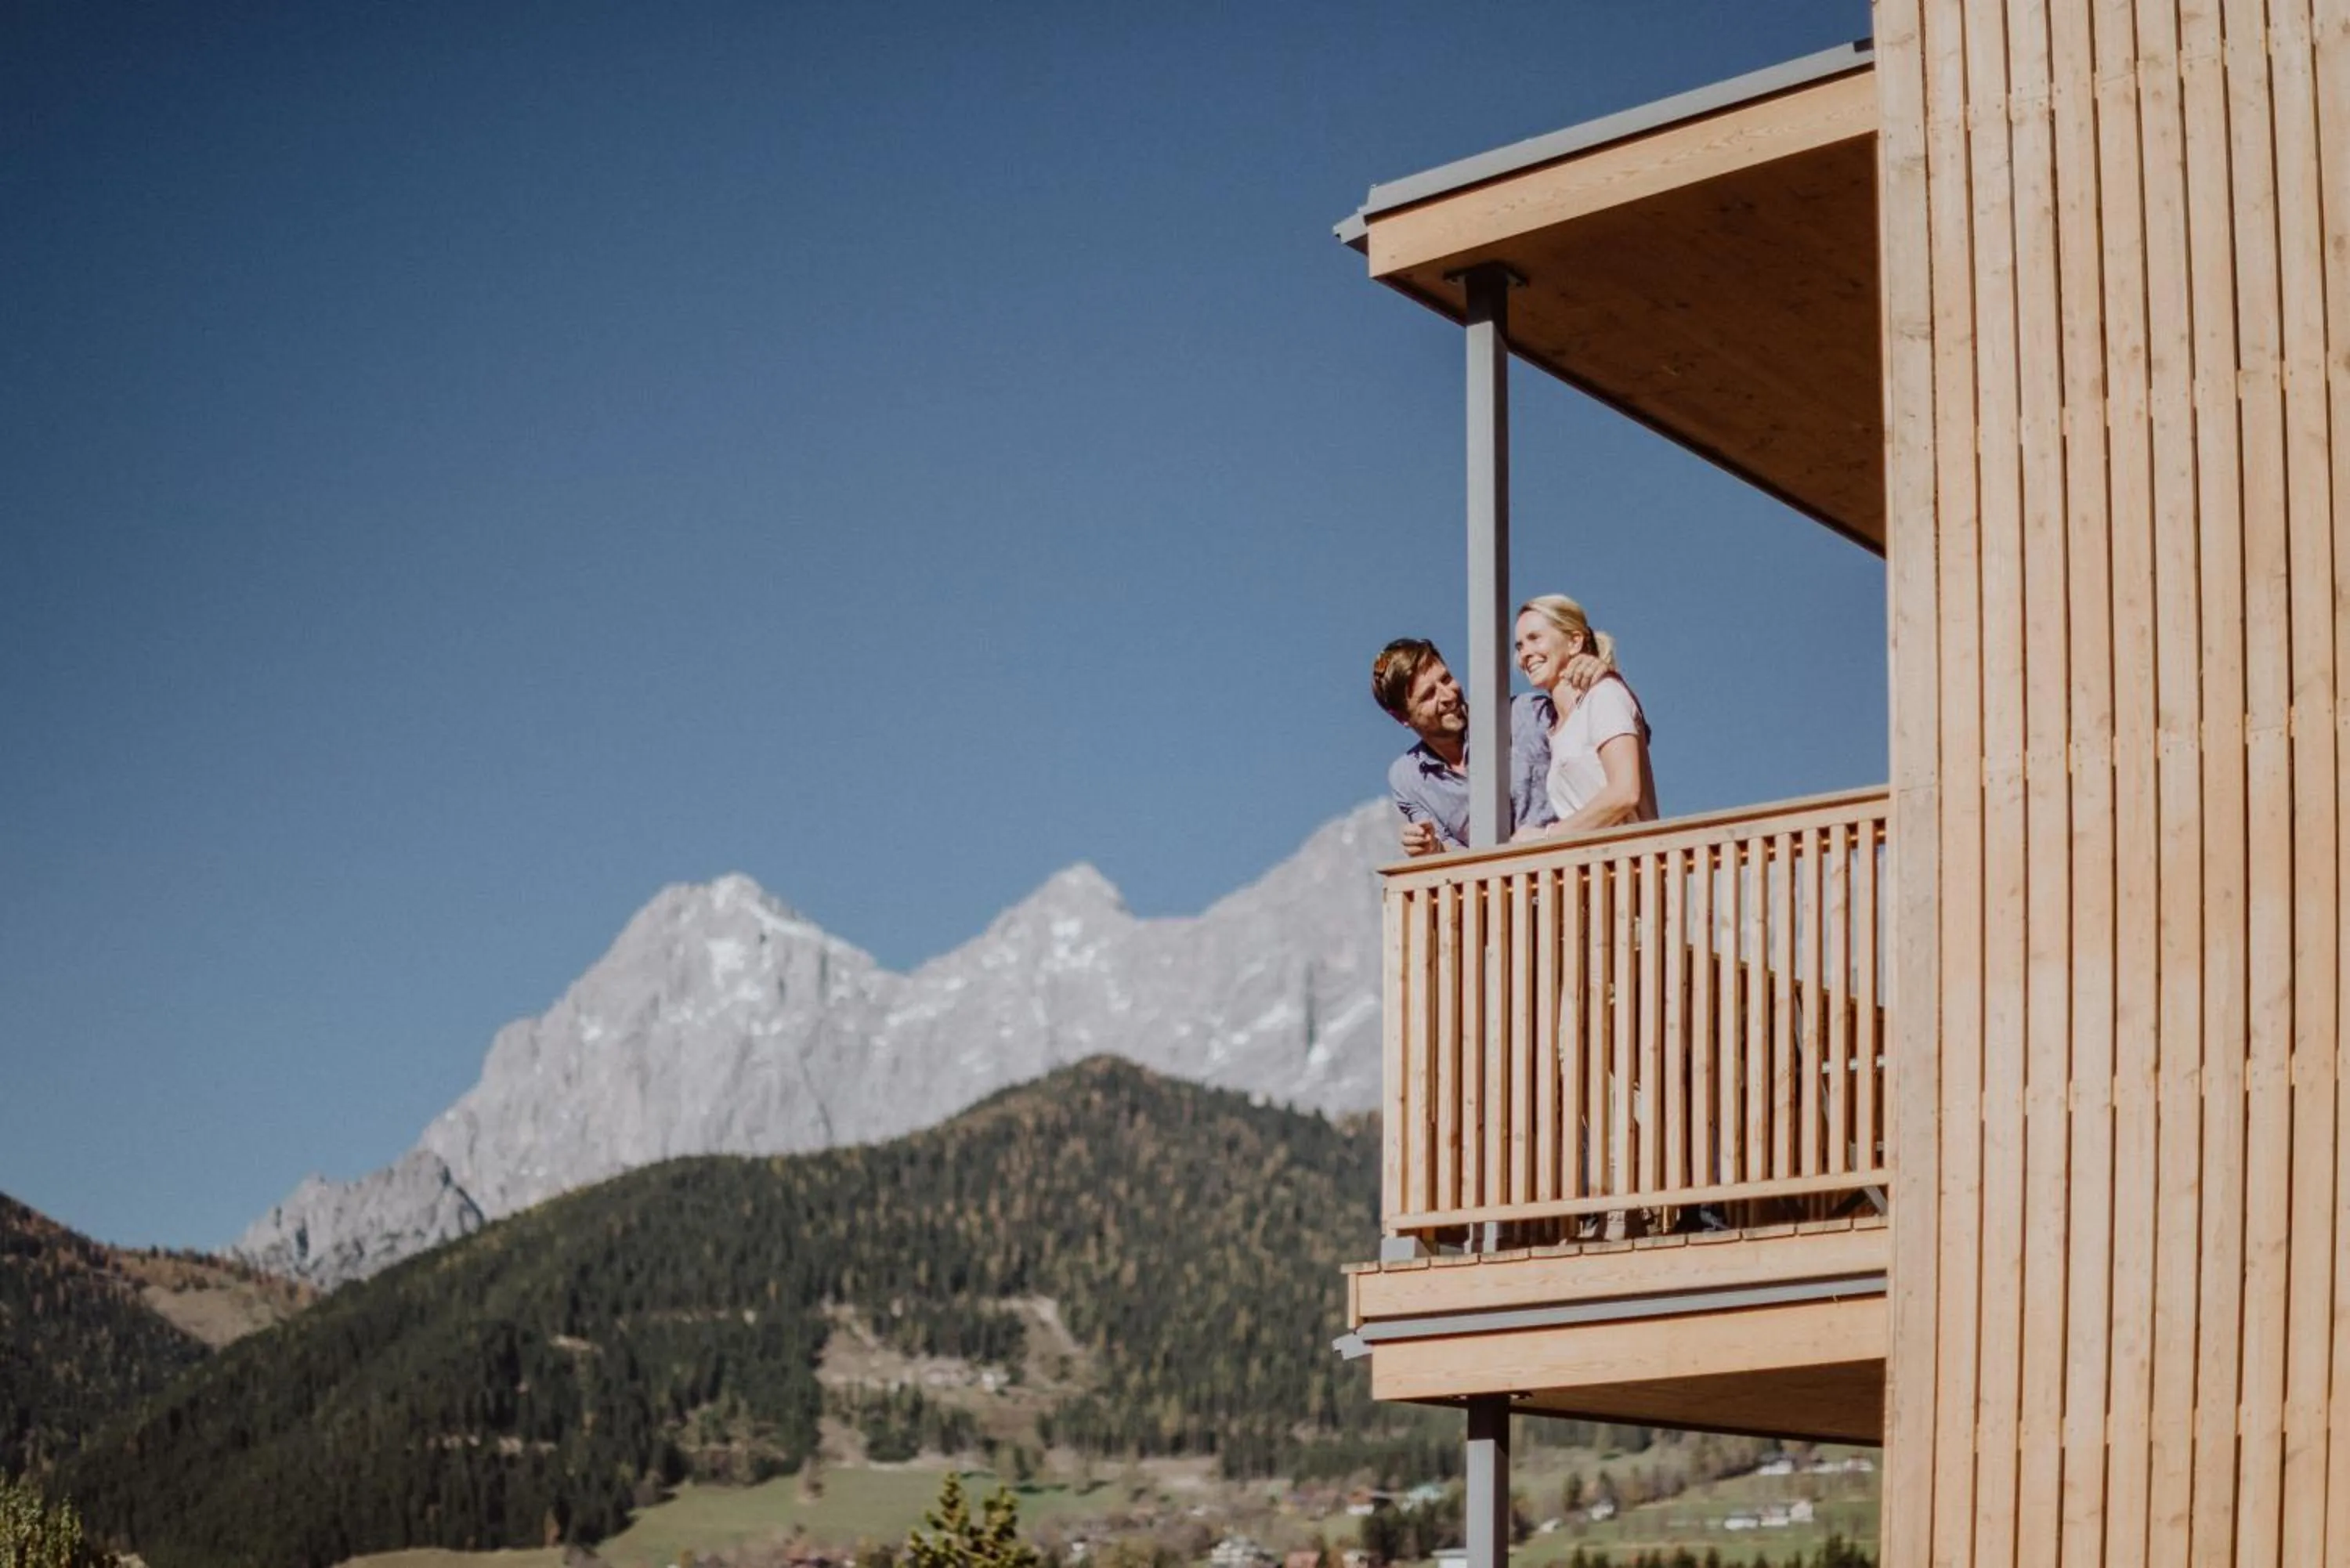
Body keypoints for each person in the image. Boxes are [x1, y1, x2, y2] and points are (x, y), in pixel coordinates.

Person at [1372, 636, 1605, 856]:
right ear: (1402, 717)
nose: (1448, 695)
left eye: (1446, 679)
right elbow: (1453, 855)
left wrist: (1599, 679)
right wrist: (1433, 848)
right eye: (1429, 695)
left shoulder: (1523, 714)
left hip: (1573, 874)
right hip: (1500, 894)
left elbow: (1605, 736)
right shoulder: (1408, 778)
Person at [1510, 594, 1659, 836]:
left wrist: (1546, 837)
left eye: (1535, 639)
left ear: (1574, 642)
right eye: (1520, 646)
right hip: (1592, 866)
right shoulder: (1555, 729)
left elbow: (1625, 792)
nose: (1525, 653)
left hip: (1633, 863)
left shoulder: (1604, 695)